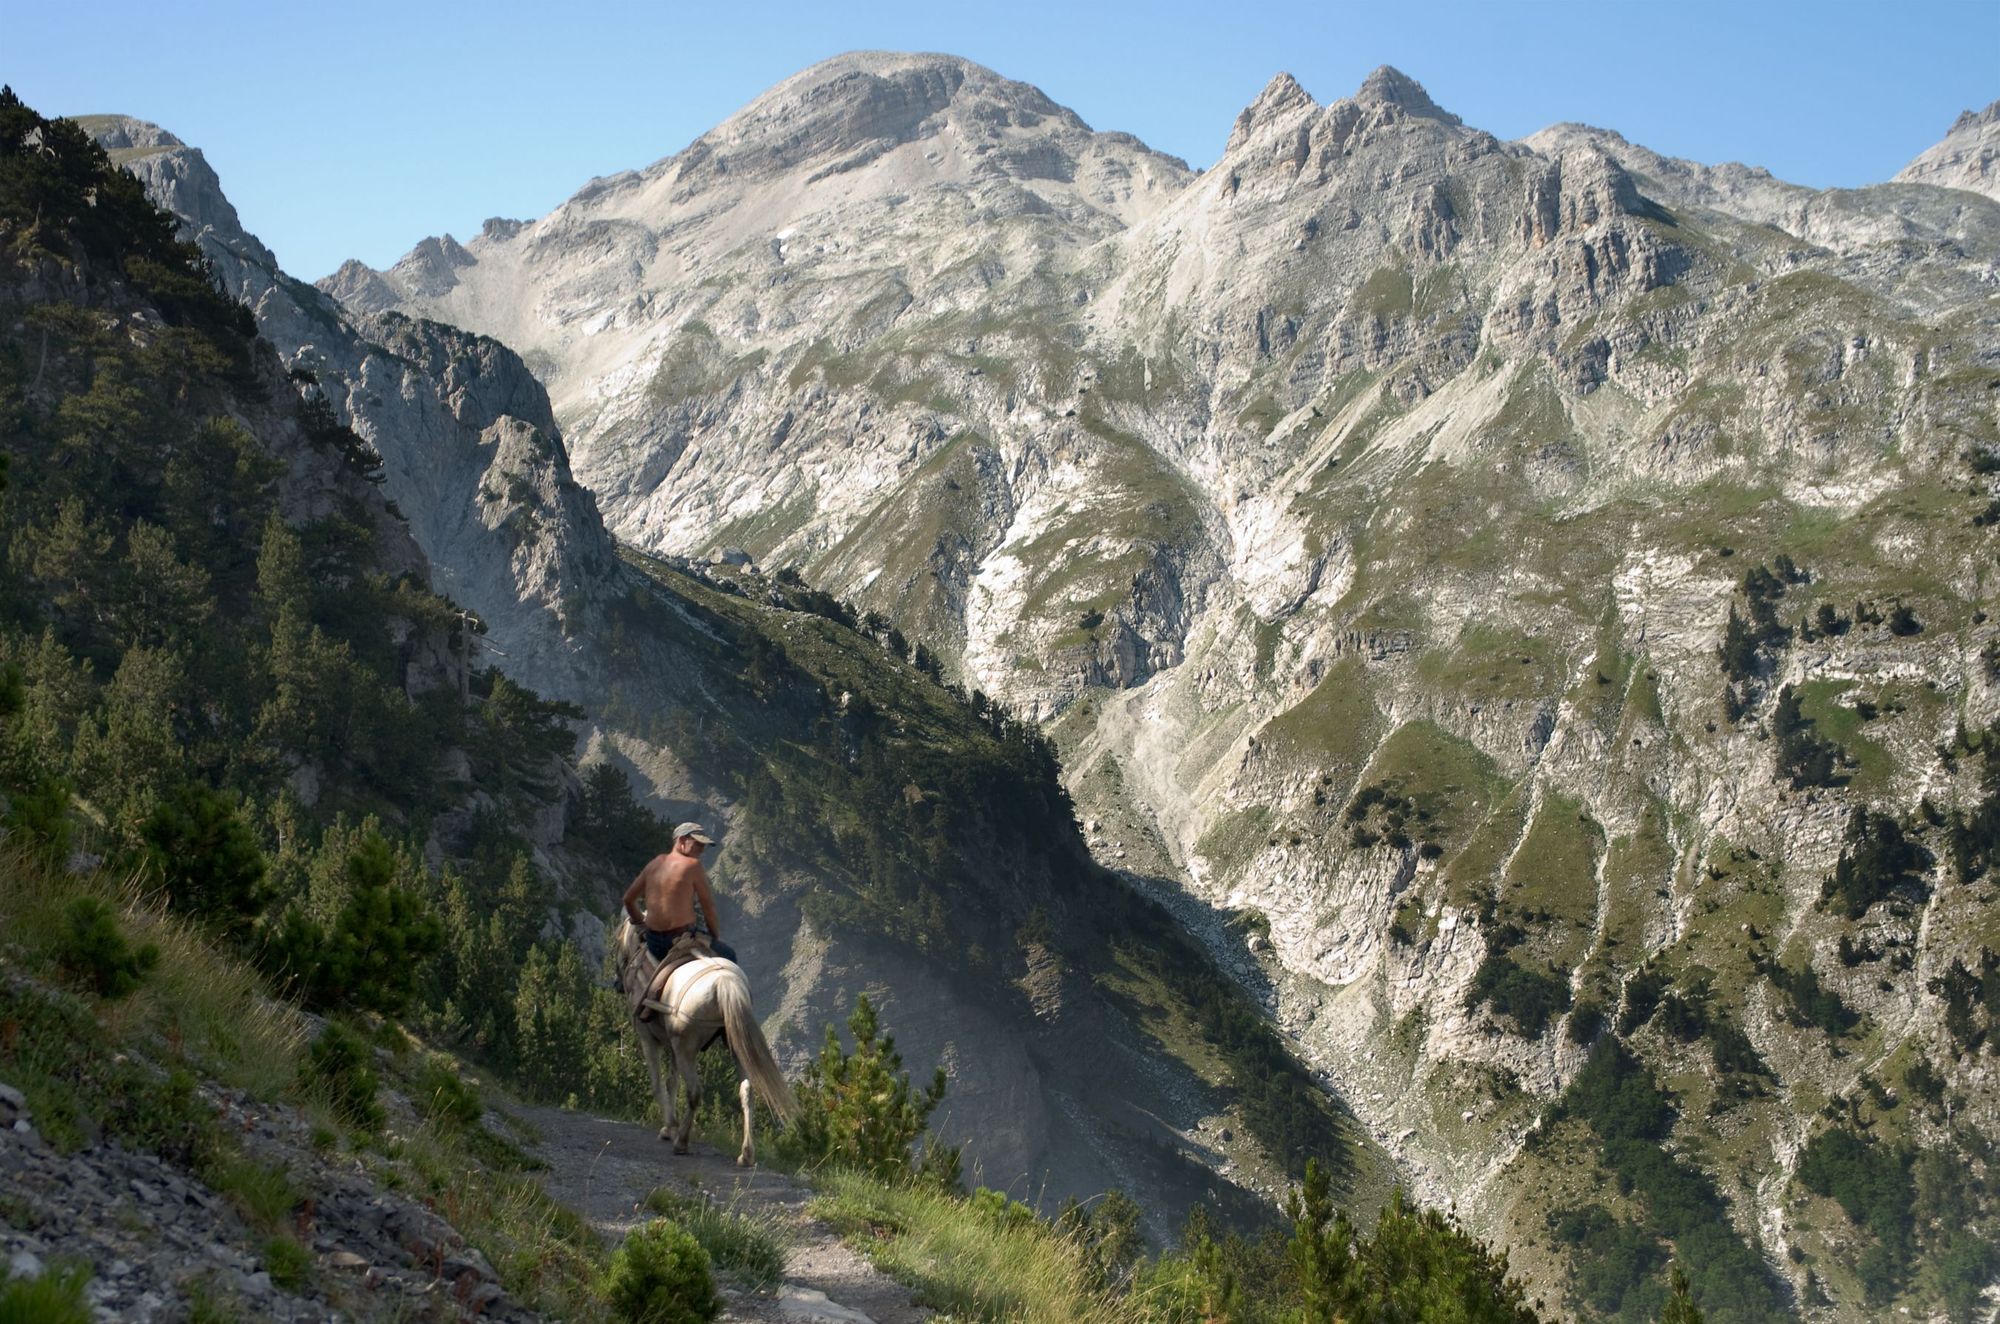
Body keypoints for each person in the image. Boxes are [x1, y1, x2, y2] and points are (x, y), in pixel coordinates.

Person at [622, 822, 739, 965]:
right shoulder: (692, 865)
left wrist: (640, 923)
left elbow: (628, 899)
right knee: (729, 954)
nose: (702, 850)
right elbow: (708, 907)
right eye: (698, 844)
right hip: (679, 940)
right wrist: (714, 938)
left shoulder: (654, 864)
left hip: (654, 943)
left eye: (703, 846)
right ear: (682, 840)